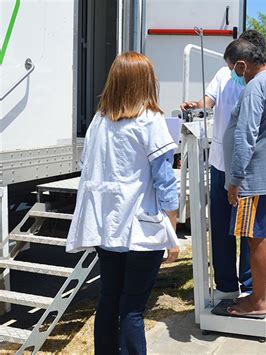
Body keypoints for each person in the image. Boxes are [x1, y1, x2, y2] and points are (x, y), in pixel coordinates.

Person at [65, 52, 180, 354]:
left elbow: (87, 166)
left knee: (108, 300)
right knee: (131, 309)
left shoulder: (98, 122)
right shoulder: (150, 121)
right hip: (140, 232)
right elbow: (165, 181)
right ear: (146, 83)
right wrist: (172, 227)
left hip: (106, 229)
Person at [180, 30, 266, 301]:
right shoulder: (223, 75)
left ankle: (250, 287)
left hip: (248, 170)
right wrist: (197, 104)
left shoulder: (261, 83)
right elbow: (210, 101)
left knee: (247, 231)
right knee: (220, 228)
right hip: (219, 165)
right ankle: (226, 286)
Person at [222, 39, 266, 316]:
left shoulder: (256, 86)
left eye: (233, 69)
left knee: (256, 240)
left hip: (255, 180)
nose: (235, 75)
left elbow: (245, 135)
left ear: (242, 64)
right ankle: (263, 296)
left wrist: (235, 179)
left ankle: (259, 301)